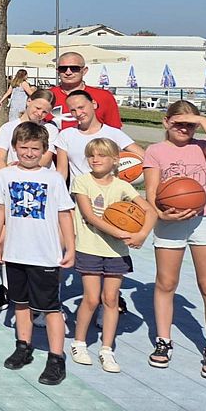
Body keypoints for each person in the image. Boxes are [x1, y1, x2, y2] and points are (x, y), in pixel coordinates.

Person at [145, 101, 206, 379]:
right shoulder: (155, 150)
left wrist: (204, 121)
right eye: (178, 123)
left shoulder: (202, 146)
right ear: (165, 121)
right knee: (166, 282)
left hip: (204, 219)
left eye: (189, 125)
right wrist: (161, 214)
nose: (184, 129)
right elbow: (151, 191)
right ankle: (163, 340)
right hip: (170, 221)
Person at [0, 122, 75, 386]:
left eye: (35, 149)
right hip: (16, 252)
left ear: (45, 150)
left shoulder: (53, 179)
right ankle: (23, 346)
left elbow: (65, 214)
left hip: (45, 255)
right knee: (20, 303)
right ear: (15, 147)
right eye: (23, 147)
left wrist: (70, 247)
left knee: (50, 308)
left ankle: (56, 357)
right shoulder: (5, 175)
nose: (29, 153)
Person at [69, 137, 156, 373]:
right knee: (91, 298)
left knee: (111, 299)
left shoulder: (122, 186)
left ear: (116, 160)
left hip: (116, 252)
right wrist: (120, 232)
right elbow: (90, 216)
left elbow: (150, 211)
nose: (95, 159)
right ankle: (79, 343)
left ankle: (107, 349)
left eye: (101, 155)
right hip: (89, 248)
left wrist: (142, 234)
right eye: (91, 155)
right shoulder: (82, 181)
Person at [0, 88, 58, 311]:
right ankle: (6, 286)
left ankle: (40, 294)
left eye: (45, 111)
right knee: (3, 239)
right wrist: (8, 177)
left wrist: (23, 169)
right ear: (28, 101)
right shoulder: (8, 128)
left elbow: (46, 158)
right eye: (37, 107)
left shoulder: (50, 129)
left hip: (38, 191)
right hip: (14, 190)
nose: (40, 113)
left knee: (37, 240)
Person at [54, 90, 142, 184]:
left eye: (81, 107)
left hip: (109, 191)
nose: (78, 113)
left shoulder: (113, 133)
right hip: (78, 191)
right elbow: (62, 172)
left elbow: (144, 156)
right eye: (73, 110)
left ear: (94, 104)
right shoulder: (66, 135)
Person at [49, 52, 122, 130]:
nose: (68, 72)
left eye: (74, 68)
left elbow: (114, 130)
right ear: (57, 71)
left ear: (84, 71)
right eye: (63, 69)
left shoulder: (104, 96)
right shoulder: (47, 96)